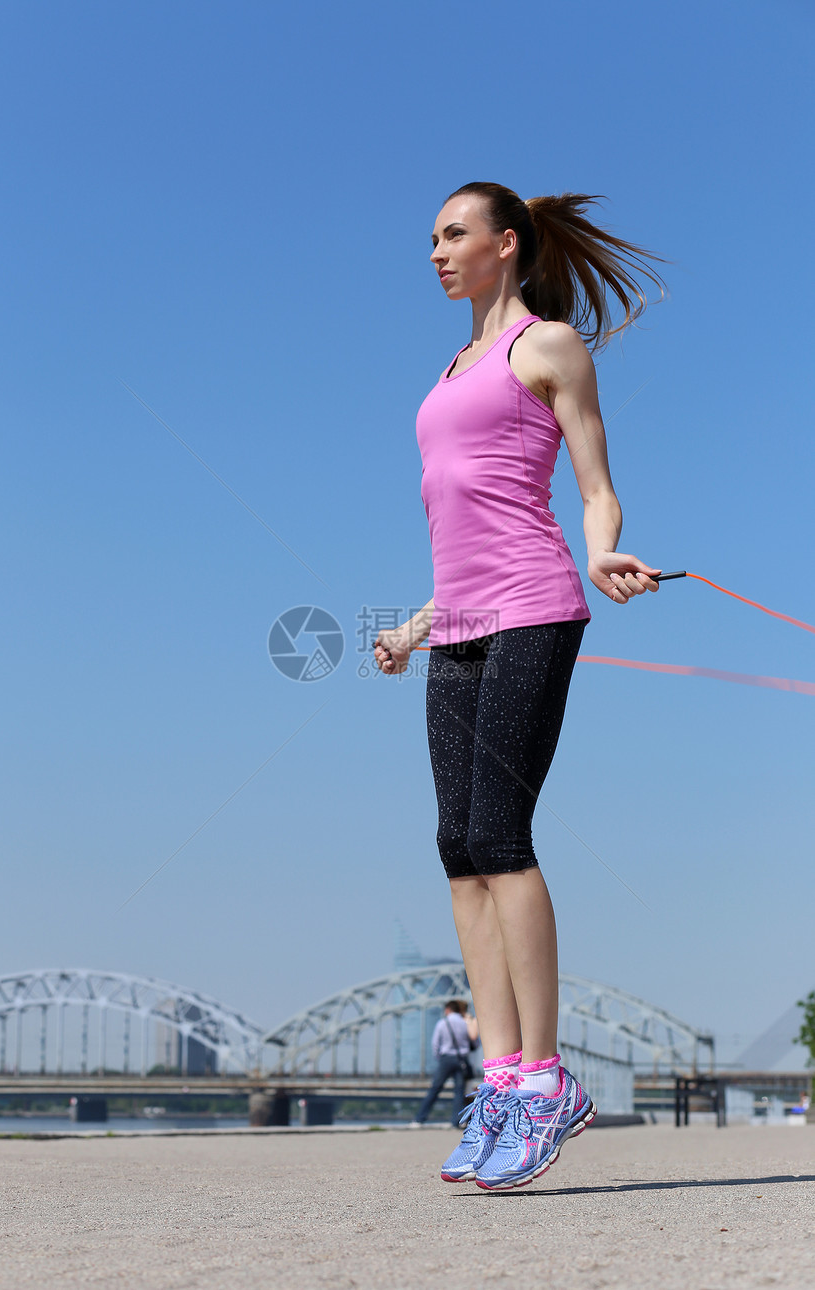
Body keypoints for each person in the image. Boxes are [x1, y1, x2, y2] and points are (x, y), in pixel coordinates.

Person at [373, 183, 664, 1190]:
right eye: (430, 238)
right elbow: (463, 526)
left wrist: (603, 553)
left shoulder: (544, 348)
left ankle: (544, 1080)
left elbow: (590, 484)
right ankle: (498, 1075)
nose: (435, 252)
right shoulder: (447, 368)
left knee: (500, 835)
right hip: (457, 622)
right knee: (456, 849)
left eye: (452, 235)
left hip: (534, 608)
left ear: (504, 245)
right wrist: (413, 627)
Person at [411, 1000, 479, 1128]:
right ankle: (458, 1121)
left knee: (435, 1089)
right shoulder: (465, 1023)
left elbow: (435, 1044)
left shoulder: (442, 1023)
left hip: (446, 1059)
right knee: (459, 1091)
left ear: (448, 1010)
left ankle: (419, 1119)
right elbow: (475, 1043)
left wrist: (439, 1058)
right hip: (461, 1059)